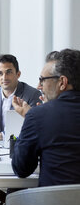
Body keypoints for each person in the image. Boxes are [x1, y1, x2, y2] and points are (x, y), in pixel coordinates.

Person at [12, 49, 80, 186]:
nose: (38, 86)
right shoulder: (40, 115)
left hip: (55, 204)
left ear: (62, 82)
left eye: (42, 80)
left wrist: (35, 116)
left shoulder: (38, 115)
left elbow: (21, 169)